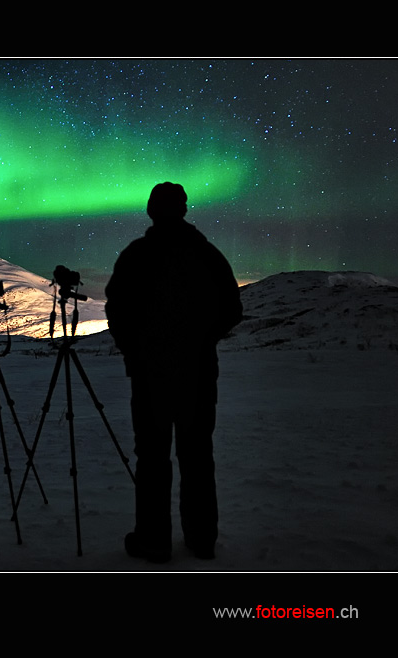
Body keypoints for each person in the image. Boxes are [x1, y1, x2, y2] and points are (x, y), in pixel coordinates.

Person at [105, 182, 242, 563]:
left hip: (150, 377)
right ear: (183, 209)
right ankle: (202, 539)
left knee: (152, 457)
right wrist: (202, 341)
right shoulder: (207, 254)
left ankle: (153, 541)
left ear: (151, 210)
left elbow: (117, 312)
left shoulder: (137, 255)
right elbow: (232, 309)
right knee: (197, 455)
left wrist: (136, 349)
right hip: (199, 375)